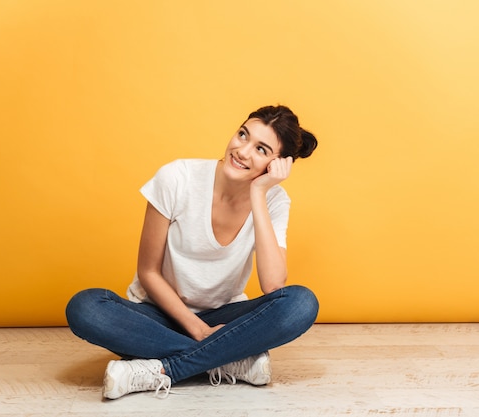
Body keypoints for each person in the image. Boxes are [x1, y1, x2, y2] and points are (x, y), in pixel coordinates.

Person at [66, 105, 319, 400]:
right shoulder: (177, 177)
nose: (242, 151)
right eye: (242, 135)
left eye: (261, 149)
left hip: (223, 317)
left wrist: (259, 193)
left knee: (301, 303)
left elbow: (274, 285)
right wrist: (198, 331)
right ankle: (229, 361)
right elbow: (148, 272)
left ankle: (162, 370)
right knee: (85, 307)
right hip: (159, 314)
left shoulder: (274, 200)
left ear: (276, 164)